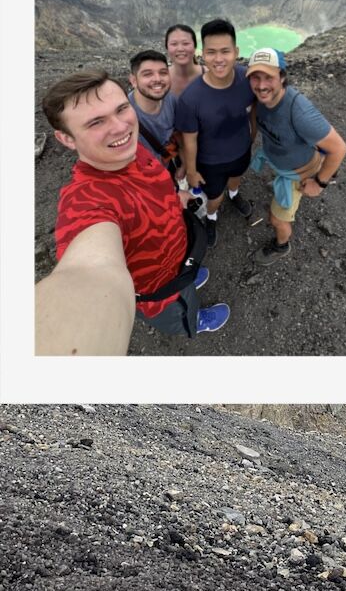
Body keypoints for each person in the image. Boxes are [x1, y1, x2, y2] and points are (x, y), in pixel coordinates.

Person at [39, 69, 228, 350]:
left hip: (177, 257)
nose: (120, 127)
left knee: (186, 280)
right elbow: (89, 270)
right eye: (95, 122)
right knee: (180, 311)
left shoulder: (127, 151)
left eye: (121, 109)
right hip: (161, 294)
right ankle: (193, 321)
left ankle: (188, 279)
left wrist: (176, 197)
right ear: (66, 138)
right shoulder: (89, 204)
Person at [245, 48, 346, 264]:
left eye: (269, 77)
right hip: (282, 163)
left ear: (282, 77)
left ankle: (281, 246)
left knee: (277, 219)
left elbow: (339, 148)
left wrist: (319, 184)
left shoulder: (299, 112)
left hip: (299, 173)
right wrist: (250, 137)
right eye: (255, 77)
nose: (261, 85)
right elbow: (256, 115)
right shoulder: (260, 99)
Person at [176, 18, 256, 243]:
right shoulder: (191, 99)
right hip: (211, 162)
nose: (219, 59)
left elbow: (253, 111)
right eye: (211, 52)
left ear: (236, 51)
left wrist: (252, 138)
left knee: (236, 177)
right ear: (202, 54)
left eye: (225, 51)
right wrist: (191, 171)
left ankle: (235, 194)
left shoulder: (247, 78)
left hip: (242, 150)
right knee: (214, 196)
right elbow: (189, 139)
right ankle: (211, 217)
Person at [127, 49, 185, 184]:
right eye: (147, 74)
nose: (157, 79)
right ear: (133, 80)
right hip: (142, 179)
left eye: (163, 73)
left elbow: (178, 135)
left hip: (167, 165)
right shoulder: (123, 115)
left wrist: (184, 165)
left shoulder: (171, 100)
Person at [164, 23, 203, 100]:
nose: (180, 49)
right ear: (167, 48)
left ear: (195, 46)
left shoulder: (210, 75)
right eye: (174, 44)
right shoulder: (160, 79)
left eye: (186, 43)